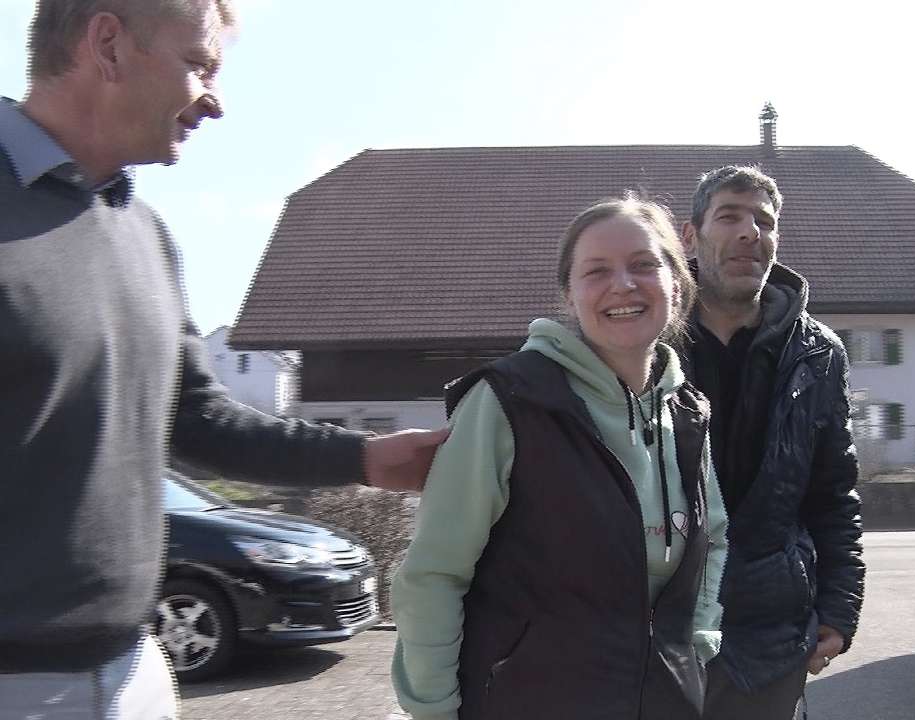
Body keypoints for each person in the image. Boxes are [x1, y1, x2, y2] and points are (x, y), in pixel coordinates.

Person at [0, 2, 446, 717]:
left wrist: (368, 459)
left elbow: (199, 419)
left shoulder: (146, 235)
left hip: (136, 667)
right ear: (108, 44)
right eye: (198, 65)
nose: (215, 101)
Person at [391, 196, 729, 720]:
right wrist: (433, 710)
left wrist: (698, 641)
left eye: (644, 264)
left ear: (677, 284)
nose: (623, 284)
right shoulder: (509, 402)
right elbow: (434, 573)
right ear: (569, 295)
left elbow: (714, 538)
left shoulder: (687, 412)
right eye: (597, 271)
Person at [678, 165, 864, 719]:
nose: (749, 232)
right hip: (662, 628)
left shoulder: (818, 352)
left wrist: (840, 607)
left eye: (764, 221)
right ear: (690, 235)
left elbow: (835, 492)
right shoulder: (648, 339)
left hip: (773, 634)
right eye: (729, 216)